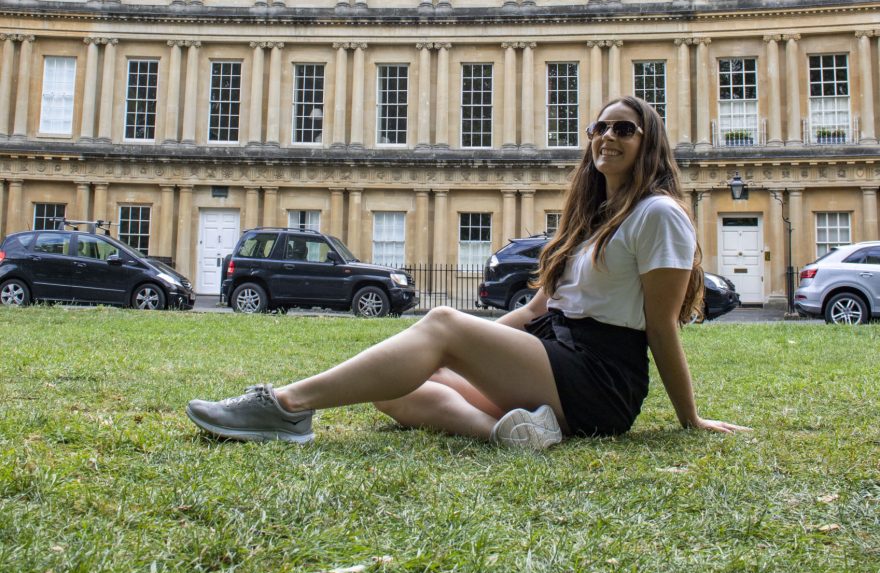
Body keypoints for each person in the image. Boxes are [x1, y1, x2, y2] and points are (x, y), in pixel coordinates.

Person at [186, 96, 748, 449]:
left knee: (444, 322)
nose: (607, 136)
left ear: (648, 142)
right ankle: (513, 435)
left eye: (624, 129)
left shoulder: (659, 214)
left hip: (601, 378)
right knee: (398, 389)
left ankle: (284, 406)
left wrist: (690, 420)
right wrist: (454, 350)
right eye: (599, 127)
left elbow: (662, 326)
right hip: (555, 357)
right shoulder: (594, 221)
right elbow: (533, 313)